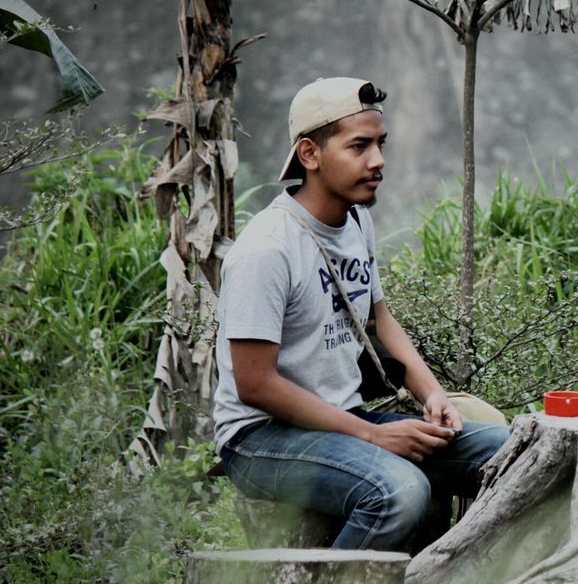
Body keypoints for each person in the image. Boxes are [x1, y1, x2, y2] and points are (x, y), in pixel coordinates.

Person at [212, 76, 509, 550]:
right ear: (310, 154)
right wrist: (372, 435)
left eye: (380, 144)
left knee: (504, 451)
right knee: (399, 492)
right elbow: (255, 384)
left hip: (343, 420)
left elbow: (379, 320)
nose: (378, 161)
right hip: (260, 441)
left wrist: (433, 396)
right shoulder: (267, 249)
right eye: (359, 146)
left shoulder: (355, 220)